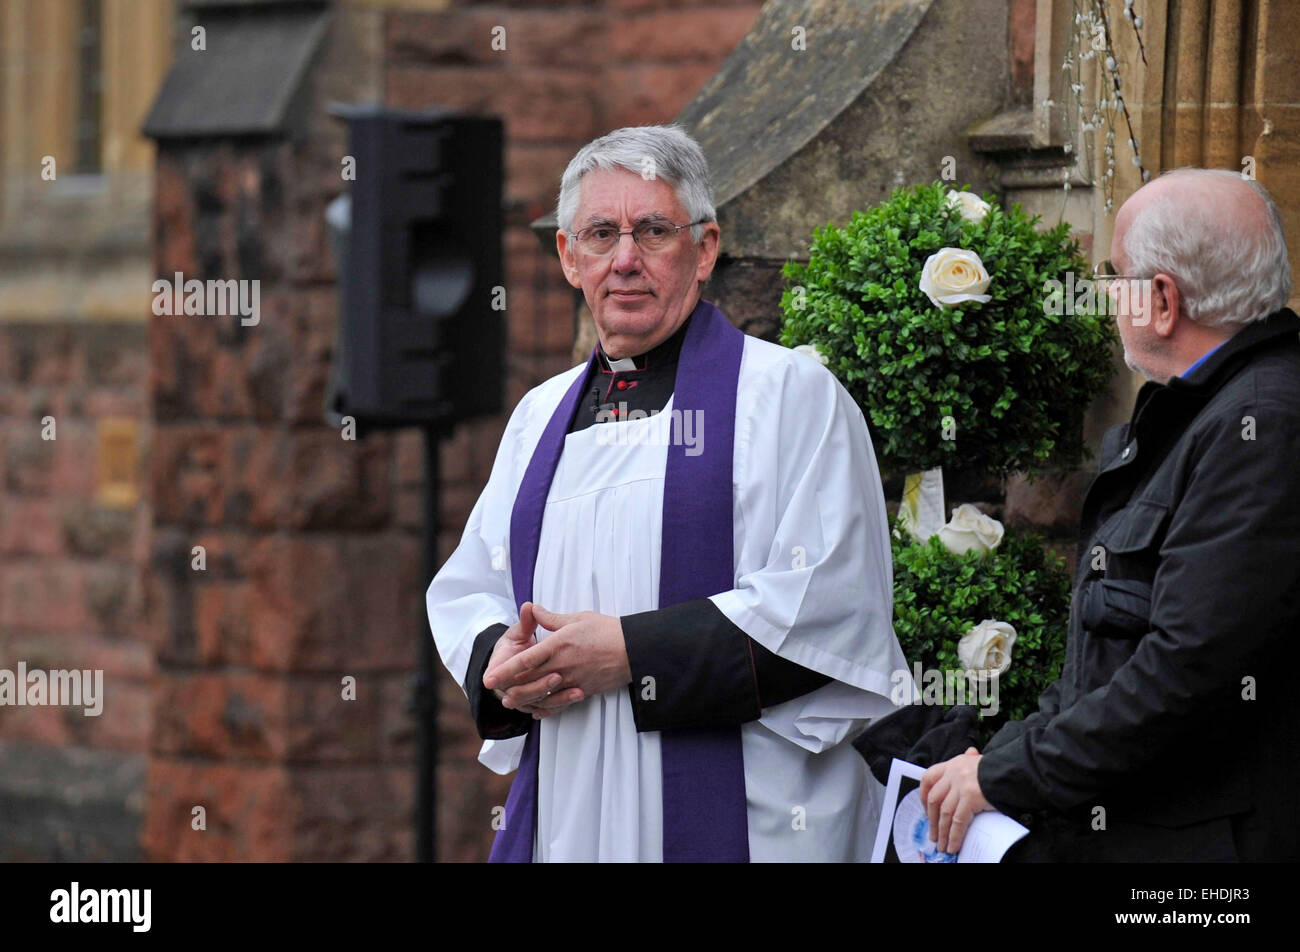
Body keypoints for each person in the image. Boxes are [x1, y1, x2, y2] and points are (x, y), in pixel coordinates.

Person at [426, 124, 907, 861]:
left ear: (705, 248)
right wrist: (505, 661)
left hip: (748, 814)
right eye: (599, 235)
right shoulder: (537, 419)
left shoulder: (788, 396)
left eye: (653, 231)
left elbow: (831, 607)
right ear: (567, 256)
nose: (624, 260)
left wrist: (629, 651)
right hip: (571, 809)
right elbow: (472, 589)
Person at [920, 168, 1300, 862]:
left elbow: (1185, 674)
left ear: (1161, 300)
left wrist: (1005, 775)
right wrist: (995, 760)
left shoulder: (1261, 424)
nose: (1104, 294)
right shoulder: (1200, 411)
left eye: (1113, 274)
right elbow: (1102, 656)